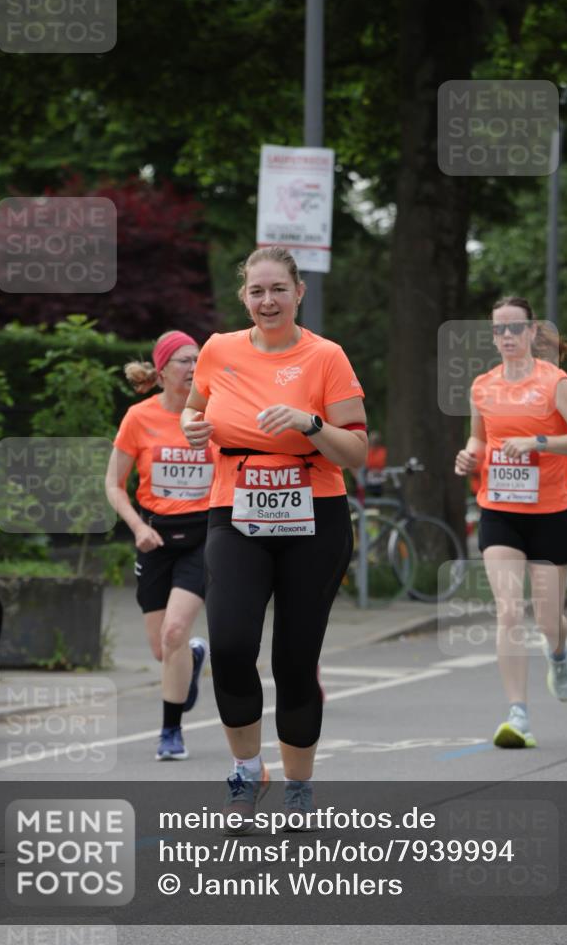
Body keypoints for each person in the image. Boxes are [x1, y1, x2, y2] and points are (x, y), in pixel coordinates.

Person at [180, 246, 367, 825]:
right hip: (235, 510)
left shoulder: (326, 357)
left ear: (298, 292)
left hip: (316, 515)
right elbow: (193, 410)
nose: (267, 301)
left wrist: (310, 424)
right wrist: (192, 428)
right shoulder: (219, 350)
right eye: (257, 291)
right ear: (244, 297)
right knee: (232, 647)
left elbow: (356, 450)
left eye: (278, 289)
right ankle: (245, 770)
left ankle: (299, 787)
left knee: (294, 658)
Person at [454, 296, 567, 749]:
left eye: (516, 328)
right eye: (500, 330)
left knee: (549, 619)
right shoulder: (483, 386)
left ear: (533, 332)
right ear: (492, 335)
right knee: (509, 610)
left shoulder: (554, 383)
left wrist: (539, 442)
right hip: (499, 508)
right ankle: (518, 714)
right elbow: (480, 439)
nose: (508, 337)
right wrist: (468, 457)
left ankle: (558, 654)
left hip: (551, 512)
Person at [105, 331, 210, 761]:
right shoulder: (139, 417)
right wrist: (136, 527)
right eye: (184, 361)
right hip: (154, 536)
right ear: (162, 369)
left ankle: (171, 733)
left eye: (199, 360)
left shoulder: (211, 415)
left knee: (174, 632)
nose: (193, 369)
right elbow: (113, 483)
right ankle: (193, 657)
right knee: (161, 648)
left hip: (203, 537)